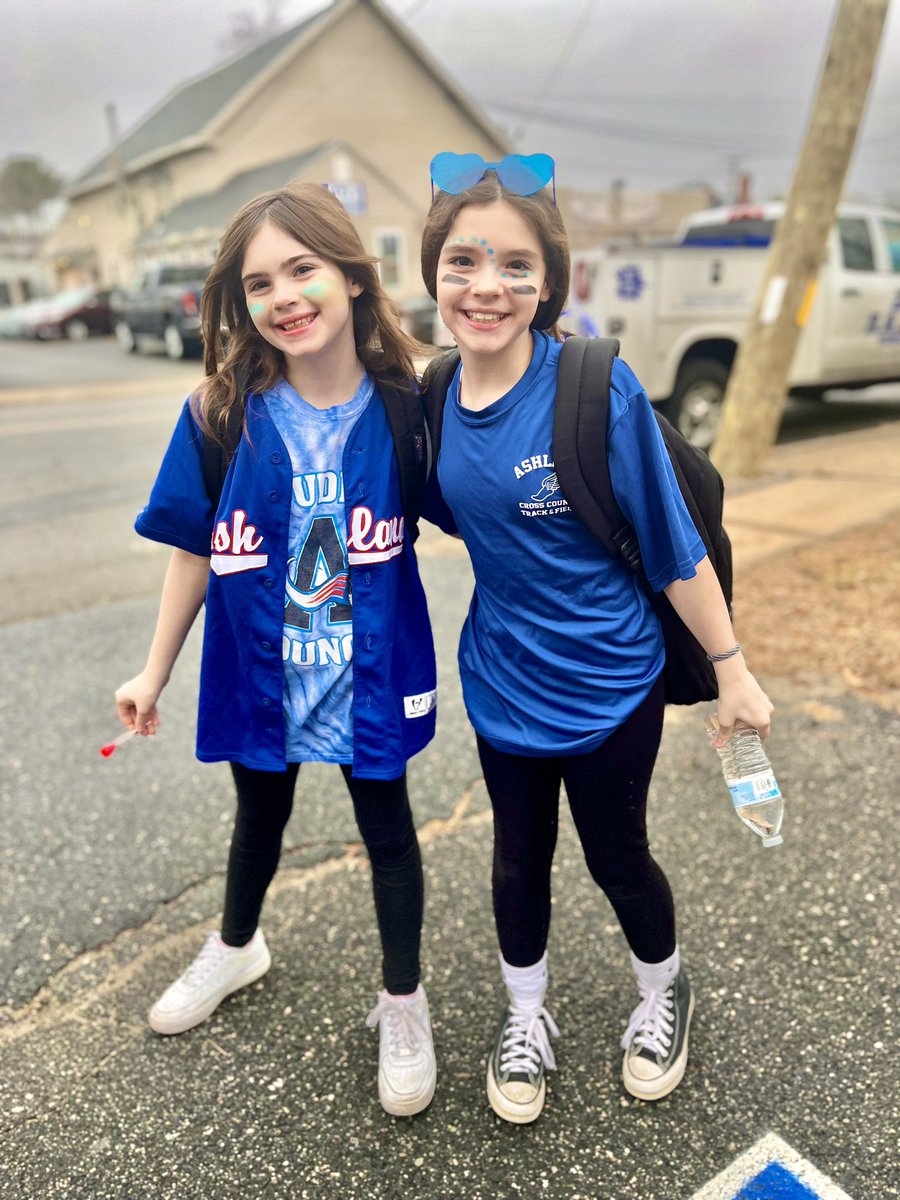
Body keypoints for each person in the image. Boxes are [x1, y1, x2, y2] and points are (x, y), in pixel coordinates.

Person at [419, 153, 773, 1123]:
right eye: (463, 261)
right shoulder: (433, 399)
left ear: (550, 279)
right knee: (516, 859)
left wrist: (733, 673)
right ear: (434, 273)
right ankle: (526, 1020)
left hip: (612, 683)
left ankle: (664, 995)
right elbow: (443, 514)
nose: (487, 285)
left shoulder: (593, 391)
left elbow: (672, 546)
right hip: (500, 684)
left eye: (516, 265)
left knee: (618, 855)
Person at [115, 184, 438, 1117]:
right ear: (240, 300)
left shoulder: (408, 406)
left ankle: (404, 1001)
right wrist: (154, 668)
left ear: (349, 275)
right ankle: (237, 943)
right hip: (263, 673)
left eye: (304, 269)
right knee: (258, 817)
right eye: (260, 283)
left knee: (389, 836)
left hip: (370, 675)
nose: (285, 296)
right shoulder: (221, 411)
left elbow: (484, 507)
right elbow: (192, 548)